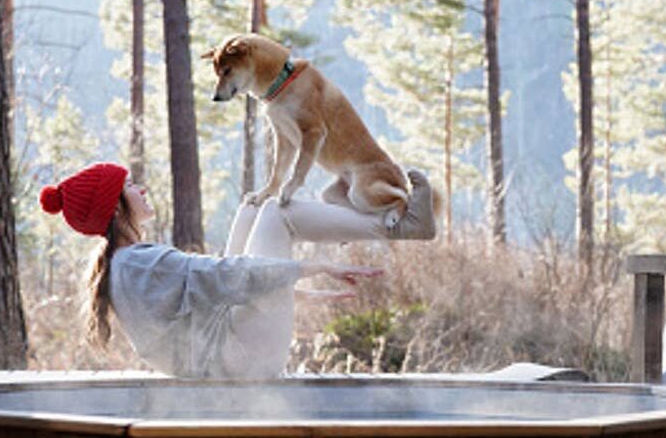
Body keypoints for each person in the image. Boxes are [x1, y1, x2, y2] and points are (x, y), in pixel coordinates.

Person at [39, 162, 438, 379]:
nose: (141, 188)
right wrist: (314, 266)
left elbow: (212, 289)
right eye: (130, 185)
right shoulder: (139, 262)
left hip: (226, 353)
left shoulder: (126, 264)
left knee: (251, 207)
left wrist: (295, 291)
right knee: (277, 212)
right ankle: (397, 226)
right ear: (114, 207)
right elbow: (221, 277)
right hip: (237, 362)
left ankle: (347, 217)